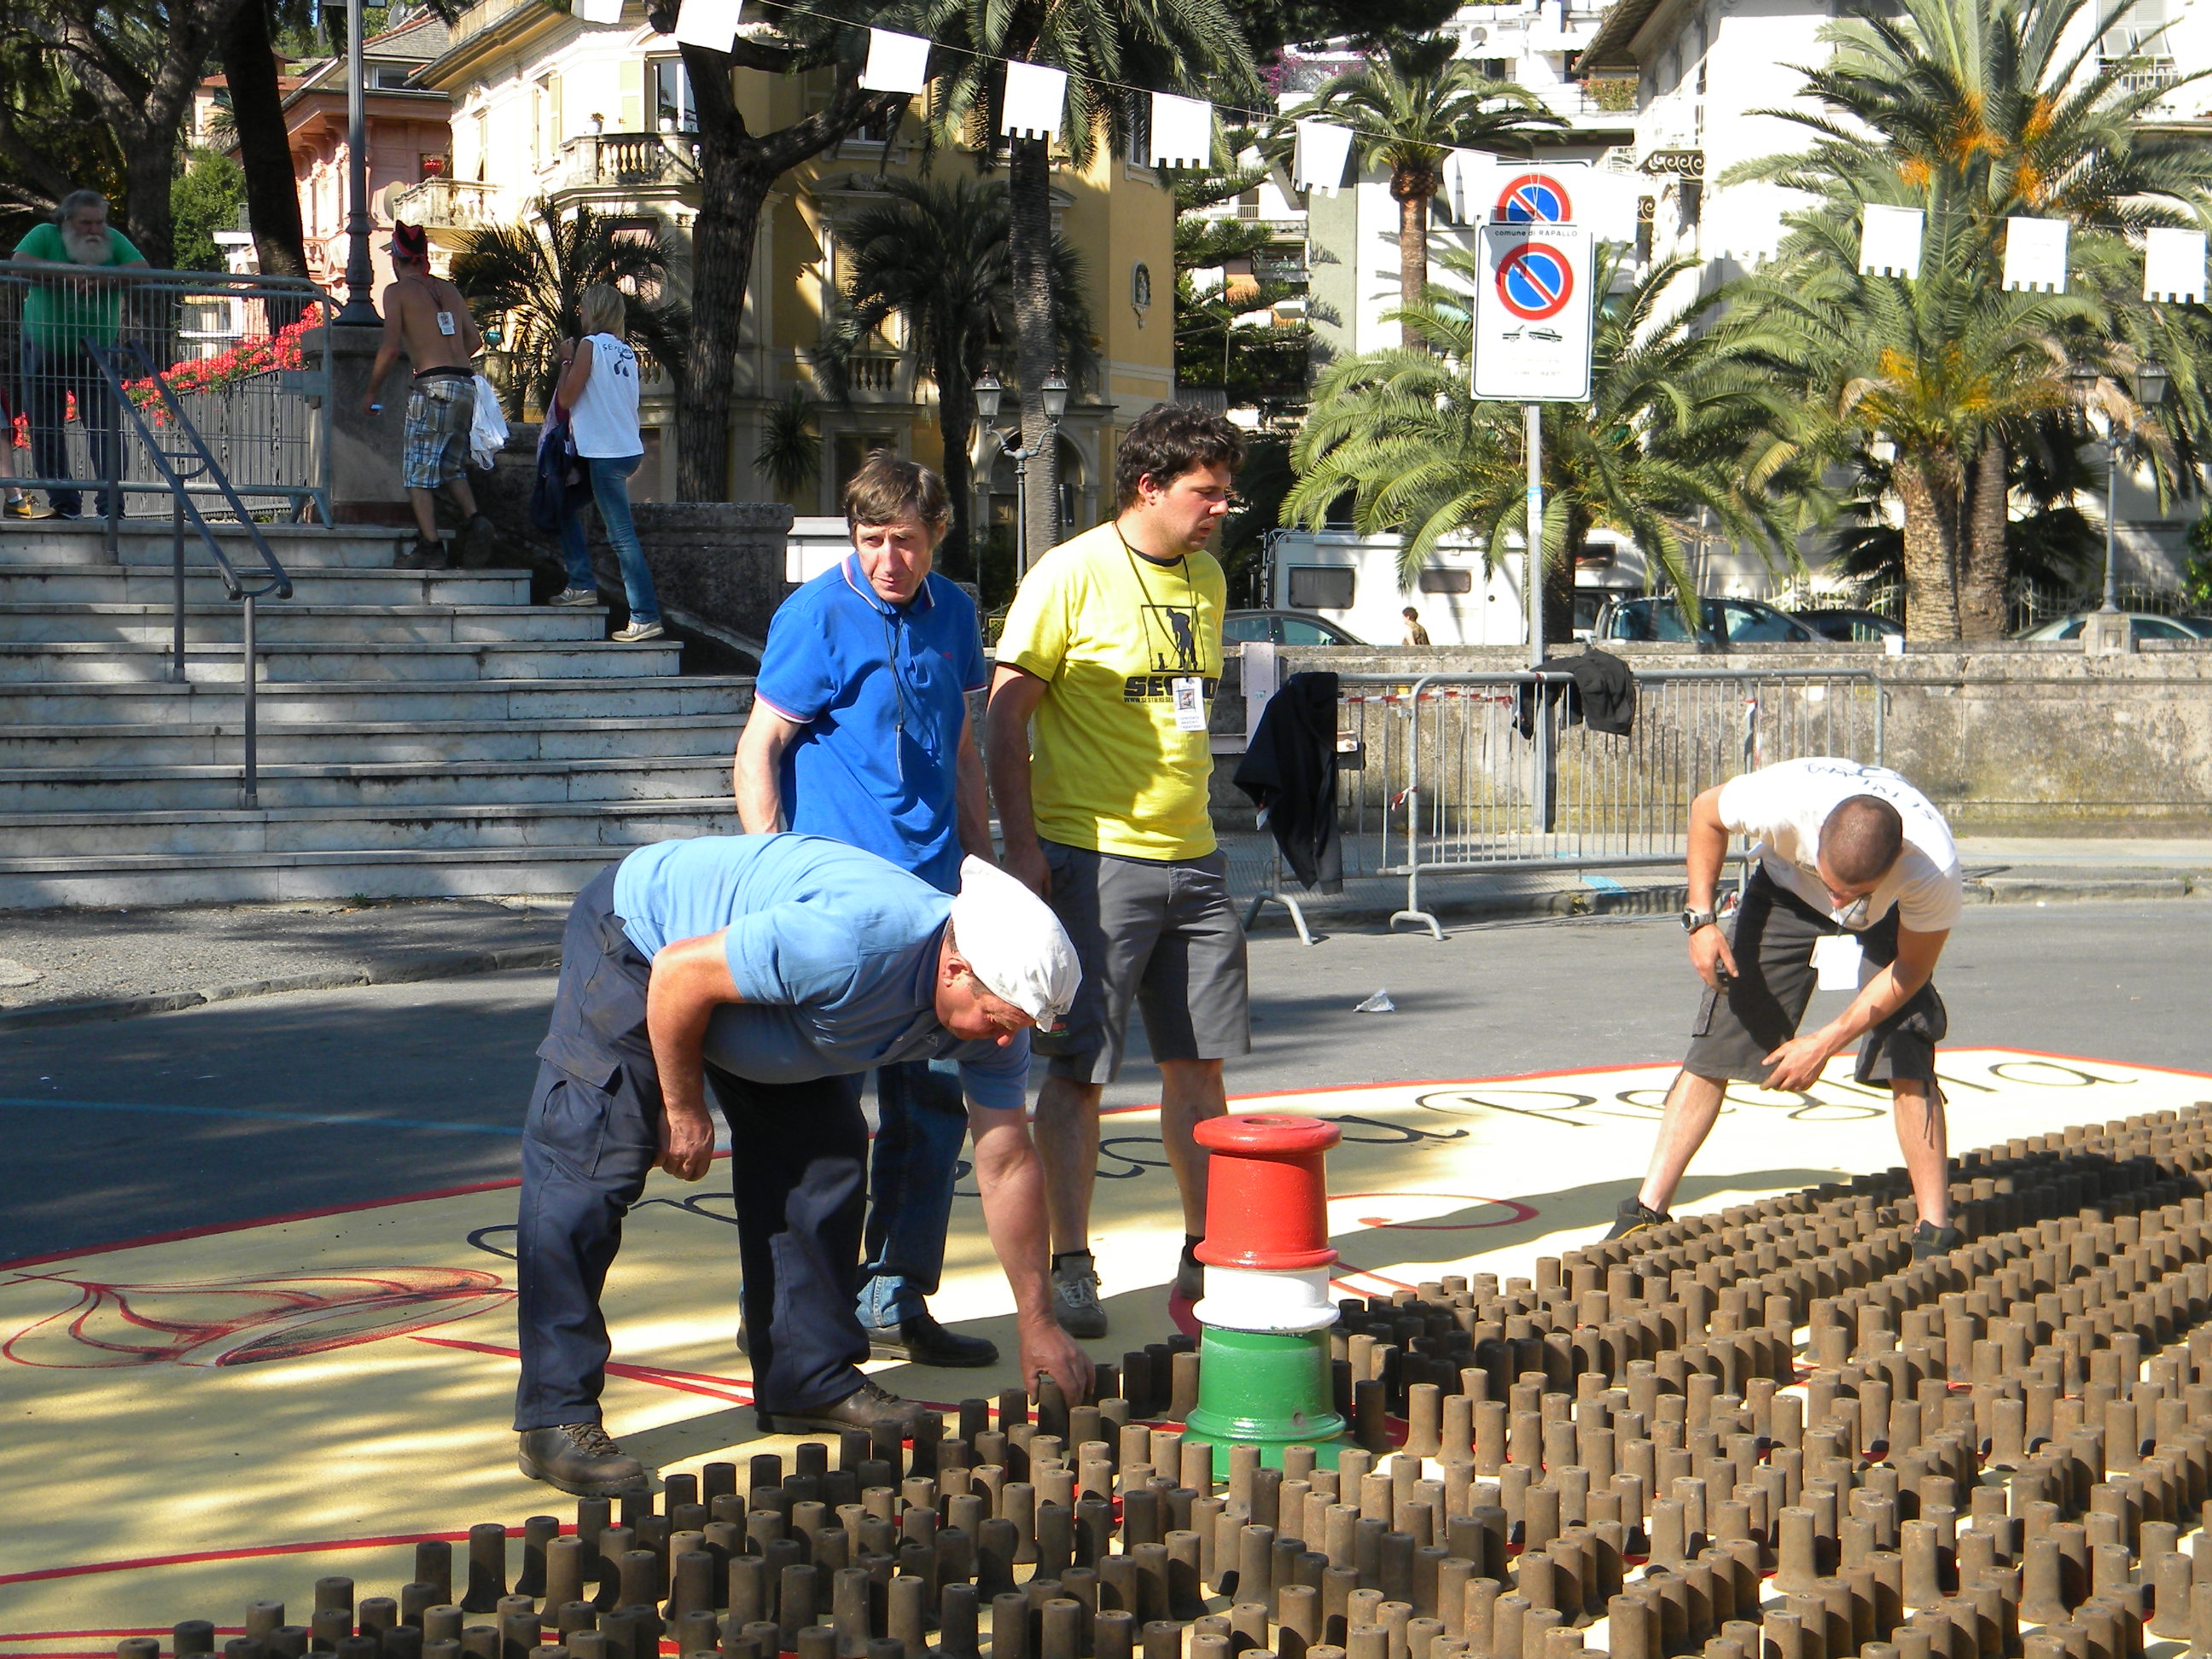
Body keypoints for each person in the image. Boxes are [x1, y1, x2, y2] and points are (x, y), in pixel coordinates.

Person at [513, 833, 1091, 1498]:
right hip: (646, 945)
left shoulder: (993, 1016)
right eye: (998, 1019)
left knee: (822, 1157)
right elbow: (681, 973)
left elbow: (1007, 1164)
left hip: (758, 998)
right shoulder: (853, 942)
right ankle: (556, 1417)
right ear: (955, 967)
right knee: (589, 1165)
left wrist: (1037, 1320)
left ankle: (805, 1378)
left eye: (1017, 1026)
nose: (1003, 1040)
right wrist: (683, 1106)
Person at [986, 403, 1250, 1339]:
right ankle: (1070, 1263)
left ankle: (1207, 1247)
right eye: (1206, 492)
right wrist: (1024, 849)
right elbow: (1006, 716)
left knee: (1200, 1070)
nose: (1222, 507)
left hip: (1197, 860)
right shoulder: (1070, 572)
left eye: (1224, 491)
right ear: (1150, 486)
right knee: (1080, 1075)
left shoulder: (1209, 577)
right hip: (1092, 856)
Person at [734, 455, 998, 1368]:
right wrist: (768, 867)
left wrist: (985, 865)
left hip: (932, 906)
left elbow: (962, 747)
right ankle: (791, 1316)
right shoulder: (814, 613)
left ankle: (895, 1296)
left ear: (936, 539)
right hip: (835, 907)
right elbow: (760, 748)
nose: (889, 558)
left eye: (907, 542)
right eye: (871, 540)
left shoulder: (954, 613)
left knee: (930, 1113)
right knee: (819, 1124)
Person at [1606, 757, 1965, 1257]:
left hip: (1892, 915)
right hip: (1787, 892)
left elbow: (1910, 970)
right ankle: (1648, 1208)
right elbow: (1705, 812)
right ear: (1814, 840)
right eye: (1832, 884)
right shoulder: (1783, 802)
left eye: (1851, 895)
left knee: (1906, 1047)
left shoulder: (1932, 868)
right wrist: (1701, 920)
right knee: (1720, 1034)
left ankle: (1934, 1226)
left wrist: (1825, 1042)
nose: (1838, 906)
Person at [358, 221, 493, 570]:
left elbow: (389, 349)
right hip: (466, 384)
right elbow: (475, 341)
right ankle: (477, 520)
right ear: (424, 258)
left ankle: (430, 547)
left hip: (433, 386)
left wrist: (371, 391)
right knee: (451, 466)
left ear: (397, 258)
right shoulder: (448, 289)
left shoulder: (397, 292)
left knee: (416, 472)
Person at [10, 190, 148, 521]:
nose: (93, 229)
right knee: (45, 430)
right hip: (45, 348)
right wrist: (68, 274)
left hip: (97, 352)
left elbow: (141, 269)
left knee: (106, 430)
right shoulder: (45, 235)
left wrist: (99, 278)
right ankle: (64, 505)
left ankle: (111, 508)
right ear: (66, 221)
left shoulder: (112, 241)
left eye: (98, 222)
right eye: (85, 222)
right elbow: (20, 264)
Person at [546, 282, 663, 643]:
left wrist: (566, 360)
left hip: (604, 452)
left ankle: (645, 615)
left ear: (594, 310)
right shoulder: (626, 351)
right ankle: (580, 583)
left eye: (583, 308)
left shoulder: (589, 346)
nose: (579, 313)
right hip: (626, 447)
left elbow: (567, 397)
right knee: (564, 504)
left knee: (621, 535)